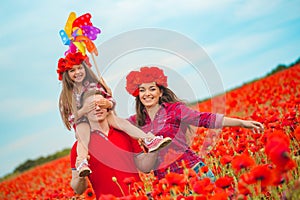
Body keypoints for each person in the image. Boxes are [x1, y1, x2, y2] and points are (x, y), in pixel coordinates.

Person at [125, 66, 264, 180]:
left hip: (194, 173)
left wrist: (242, 123)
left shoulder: (175, 110)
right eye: (142, 90)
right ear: (137, 94)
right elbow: (111, 123)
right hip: (166, 182)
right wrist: (106, 98)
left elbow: (205, 118)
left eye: (152, 89)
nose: (147, 94)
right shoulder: (136, 121)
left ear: (160, 92)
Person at [57, 52, 171, 177]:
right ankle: (82, 161)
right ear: (66, 74)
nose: (77, 72)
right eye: (72, 70)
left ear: (85, 68)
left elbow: (111, 102)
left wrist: (107, 103)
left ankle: (148, 139)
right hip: (82, 121)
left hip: (101, 115)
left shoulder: (94, 84)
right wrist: (83, 110)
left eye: (80, 68)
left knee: (121, 122)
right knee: (82, 136)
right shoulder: (66, 95)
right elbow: (70, 118)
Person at [70, 90, 143, 198]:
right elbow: (78, 190)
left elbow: (146, 167)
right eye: (91, 106)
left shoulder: (126, 134)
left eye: (101, 104)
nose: (98, 108)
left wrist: (154, 150)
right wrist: (80, 176)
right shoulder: (79, 148)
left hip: (138, 196)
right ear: (84, 113)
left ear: (108, 108)